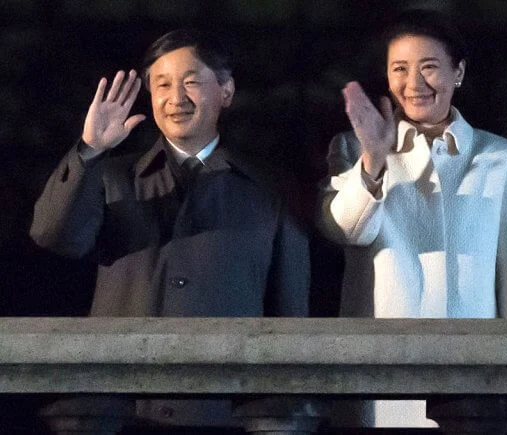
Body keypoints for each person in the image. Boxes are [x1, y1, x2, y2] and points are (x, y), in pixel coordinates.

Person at [30, 29, 310, 430]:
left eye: (191, 82)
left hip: (221, 414)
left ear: (225, 91)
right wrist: (89, 150)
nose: (176, 98)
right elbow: (52, 235)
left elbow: (290, 313)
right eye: (162, 85)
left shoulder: (268, 190)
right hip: (118, 413)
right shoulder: (111, 176)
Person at [317, 8, 507, 428]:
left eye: (430, 68)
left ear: (458, 73)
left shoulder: (499, 155)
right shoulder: (352, 148)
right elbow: (344, 229)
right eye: (399, 69)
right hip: (381, 374)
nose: (413, 83)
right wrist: (374, 159)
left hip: (472, 376)